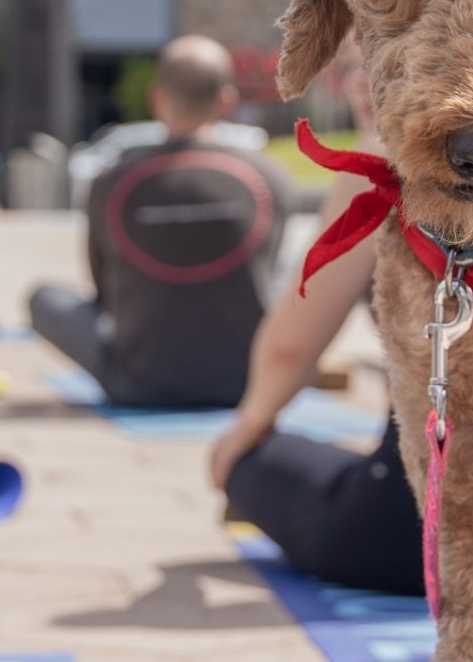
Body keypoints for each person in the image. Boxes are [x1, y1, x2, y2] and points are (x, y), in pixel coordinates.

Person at [209, 171, 473, 602]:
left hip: (428, 532)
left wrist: (247, 427)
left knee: (252, 462)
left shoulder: (395, 145)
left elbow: (291, 346)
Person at [29, 35, 290, 408]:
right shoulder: (269, 176)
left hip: (137, 381)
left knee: (45, 298)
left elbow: (104, 290)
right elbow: (267, 272)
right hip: (244, 382)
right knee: (297, 270)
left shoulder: (112, 179)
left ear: (156, 98)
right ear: (227, 101)